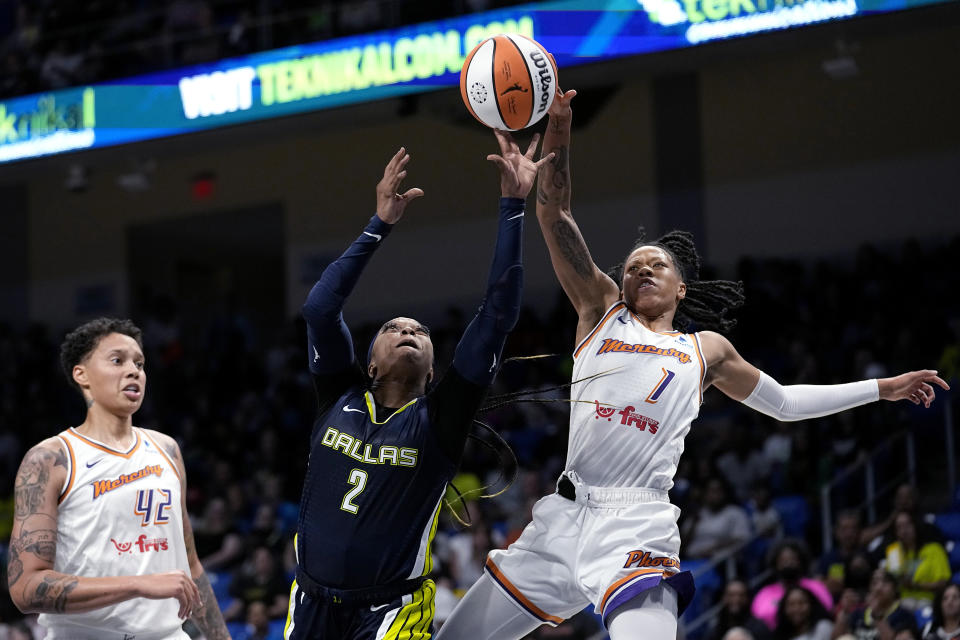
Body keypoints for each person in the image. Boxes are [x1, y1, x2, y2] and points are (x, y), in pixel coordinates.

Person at [435, 86, 949, 640]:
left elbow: (785, 403)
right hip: (560, 517)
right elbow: (554, 210)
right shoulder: (600, 310)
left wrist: (880, 388)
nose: (642, 271)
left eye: (656, 264)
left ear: (682, 288)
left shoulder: (704, 349)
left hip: (634, 523)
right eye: (633, 266)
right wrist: (559, 125)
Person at [282, 132, 554, 639]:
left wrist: (513, 205)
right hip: (311, 599)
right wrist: (378, 225)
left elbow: (496, 315)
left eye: (421, 332)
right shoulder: (338, 396)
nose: (408, 331)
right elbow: (319, 309)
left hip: (390, 610)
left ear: (433, 371)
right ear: (369, 365)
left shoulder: (441, 418)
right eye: (393, 328)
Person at [5, 317, 229, 639]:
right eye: (117, 360)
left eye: (139, 362)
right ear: (81, 375)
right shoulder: (51, 459)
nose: (133, 370)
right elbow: (26, 588)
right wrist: (138, 585)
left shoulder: (167, 450)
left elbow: (191, 566)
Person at [753, 540, 834, 630]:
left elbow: (827, 612)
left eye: (793, 559)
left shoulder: (816, 587)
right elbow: (756, 622)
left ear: (801, 561)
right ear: (775, 564)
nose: (788, 564)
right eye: (783, 560)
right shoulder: (764, 593)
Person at [884, 512, 950, 610]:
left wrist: (916, 585)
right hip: (903, 602)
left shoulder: (934, 549)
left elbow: (943, 584)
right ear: (895, 532)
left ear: (915, 526)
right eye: (899, 527)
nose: (904, 531)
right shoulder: (894, 552)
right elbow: (892, 584)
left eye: (907, 525)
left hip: (929, 601)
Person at [833, 570, 917, 640]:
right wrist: (844, 612)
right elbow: (836, 638)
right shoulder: (858, 613)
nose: (879, 588)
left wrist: (877, 615)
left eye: (885, 582)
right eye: (875, 582)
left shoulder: (904, 615)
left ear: (894, 589)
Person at [707, 579, 773, 640]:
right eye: (731, 595)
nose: (736, 600)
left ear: (748, 598)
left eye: (741, 595)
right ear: (723, 598)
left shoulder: (760, 628)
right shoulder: (716, 629)